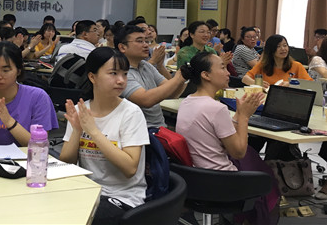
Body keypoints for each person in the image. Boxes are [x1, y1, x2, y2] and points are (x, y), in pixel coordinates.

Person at [176, 52, 278, 224]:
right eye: (222, 68)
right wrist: (244, 116)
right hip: (222, 182)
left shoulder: (188, 101)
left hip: (195, 179)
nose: (228, 72)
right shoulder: (216, 108)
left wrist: (238, 114)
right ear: (206, 75)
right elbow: (238, 152)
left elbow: (215, 135)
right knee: (267, 178)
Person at [60, 47, 149, 224]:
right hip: (87, 190)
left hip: (123, 196)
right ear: (92, 77)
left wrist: (93, 131)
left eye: (125, 74)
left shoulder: (131, 113)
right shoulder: (81, 110)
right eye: (113, 73)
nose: (121, 80)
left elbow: (130, 168)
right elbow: (67, 163)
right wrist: (77, 130)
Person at [117, 24, 186, 127]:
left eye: (146, 41)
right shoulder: (120, 72)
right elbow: (145, 100)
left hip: (160, 127)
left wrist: (183, 77)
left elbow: (173, 94)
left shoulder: (145, 65)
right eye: (140, 41)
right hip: (141, 130)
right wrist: (177, 78)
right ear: (122, 47)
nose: (146, 45)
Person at [243, 34, 311, 87]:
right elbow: (245, 79)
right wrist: (256, 83)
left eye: (285, 45)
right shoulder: (263, 65)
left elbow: (310, 84)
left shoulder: (296, 66)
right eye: (278, 46)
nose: (283, 49)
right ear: (271, 50)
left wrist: (291, 84)